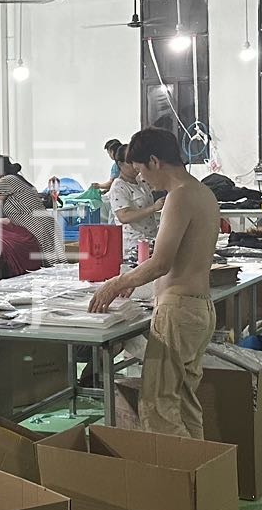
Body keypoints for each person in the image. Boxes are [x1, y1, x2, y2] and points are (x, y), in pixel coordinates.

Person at [90, 129, 220, 439]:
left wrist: (115, 283)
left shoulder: (178, 197)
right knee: (184, 404)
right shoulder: (203, 192)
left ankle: (175, 470)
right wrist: (135, 281)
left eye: (141, 170)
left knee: (159, 407)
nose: (142, 179)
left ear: (154, 161)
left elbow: (161, 262)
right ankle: (201, 468)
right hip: (199, 308)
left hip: (179, 313)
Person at [106, 147, 163, 262]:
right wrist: (153, 208)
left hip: (150, 239)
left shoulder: (140, 182)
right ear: (120, 164)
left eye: (137, 161)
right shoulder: (118, 187)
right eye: (130, 162)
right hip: (133, 244)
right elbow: (124, 217)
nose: (135, 166)